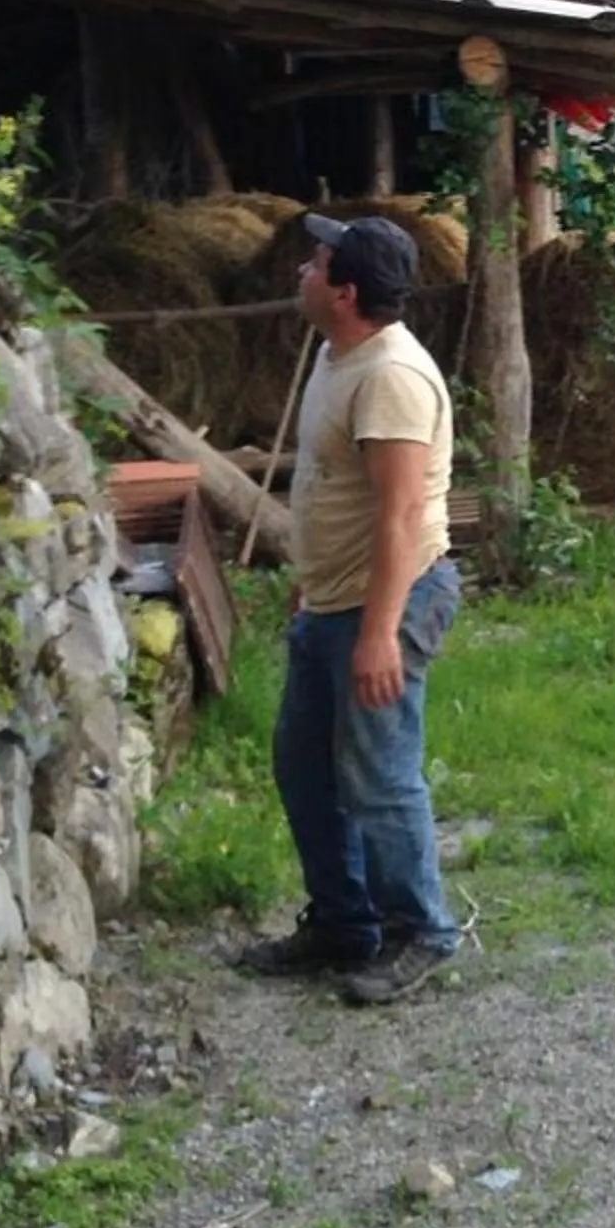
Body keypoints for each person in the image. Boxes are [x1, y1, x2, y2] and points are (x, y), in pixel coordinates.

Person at [235, 212, 463, 1004]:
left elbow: (399, 516)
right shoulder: (341, 353)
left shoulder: (390, 377)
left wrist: (377, 634)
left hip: (386, 602)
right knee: (304, 766)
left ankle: (420, 933)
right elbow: (334, 488)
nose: (301, 269)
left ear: (347, 291)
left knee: (378, 776)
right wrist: (313, 577)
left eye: (316, 262)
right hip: (335, 598)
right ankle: (343, 923)